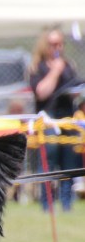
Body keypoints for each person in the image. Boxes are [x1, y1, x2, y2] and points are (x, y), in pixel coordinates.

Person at [29, 27, 80, 212]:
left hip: (67, 119)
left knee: (69, 164)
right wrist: (55, 71)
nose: (57, 47)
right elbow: (42, 92)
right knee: (48, 164)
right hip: (48, 120)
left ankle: (67, 205)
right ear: (45, 45)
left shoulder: (69, 65)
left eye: (60, 43)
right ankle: (47, 206)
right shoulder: (38, 67)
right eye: (52, 44)